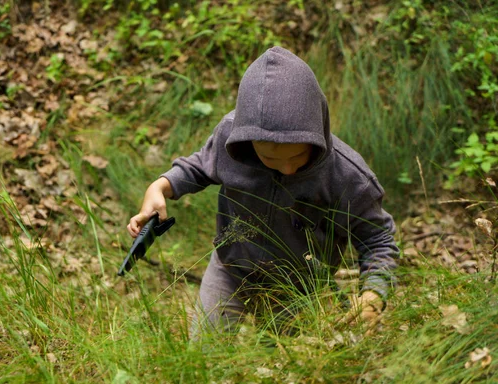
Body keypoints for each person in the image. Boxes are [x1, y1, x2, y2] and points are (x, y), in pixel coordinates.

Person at [127, 46, 399, 336]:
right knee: (205, 353)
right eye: (270, 159)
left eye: (298, 157)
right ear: (246, 140)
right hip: (230, 268)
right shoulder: (229, 138)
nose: (287, 170)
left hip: (296, 289)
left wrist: (374, 295)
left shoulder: (347, 176)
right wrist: (161, 186)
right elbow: (199, 167)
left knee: (281, 364)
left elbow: (378, 239)